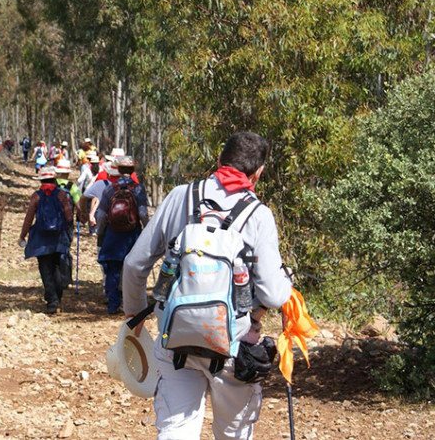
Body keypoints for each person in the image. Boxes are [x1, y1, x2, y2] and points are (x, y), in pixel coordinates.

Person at [122, 132, 293, 439]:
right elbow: (272, 293)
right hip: (234, 345)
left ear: (218, 161)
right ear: (258, 173)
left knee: (176, 430)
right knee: (233, 434)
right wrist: (287, 280)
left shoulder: (179, 197)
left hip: (174, 339)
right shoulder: (259, 216)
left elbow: (135, 264)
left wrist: (134, 314)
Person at [95, 156, 149, 314]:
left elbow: (101, 215)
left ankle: (113, 304)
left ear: (117, 170)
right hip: (132, 235)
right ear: (133, 171)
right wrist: (146, 230)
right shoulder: (138, 189)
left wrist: (101, 231)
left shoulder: (110, 189)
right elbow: (143, 213)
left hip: (113, 234)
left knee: (112, 269)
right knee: (132, 269)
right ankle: (131, 305)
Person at [19, 166, 73, 314]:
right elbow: (69, 216)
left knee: (45, 268)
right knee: (57, 265)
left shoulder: (36, 196)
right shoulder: (61, 194)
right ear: (54, 179)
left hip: (41, 238)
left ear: (41, 180)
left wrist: (23, 235)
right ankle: (57, 297)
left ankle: (52, 301)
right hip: (58, 237)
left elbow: (29, 217)